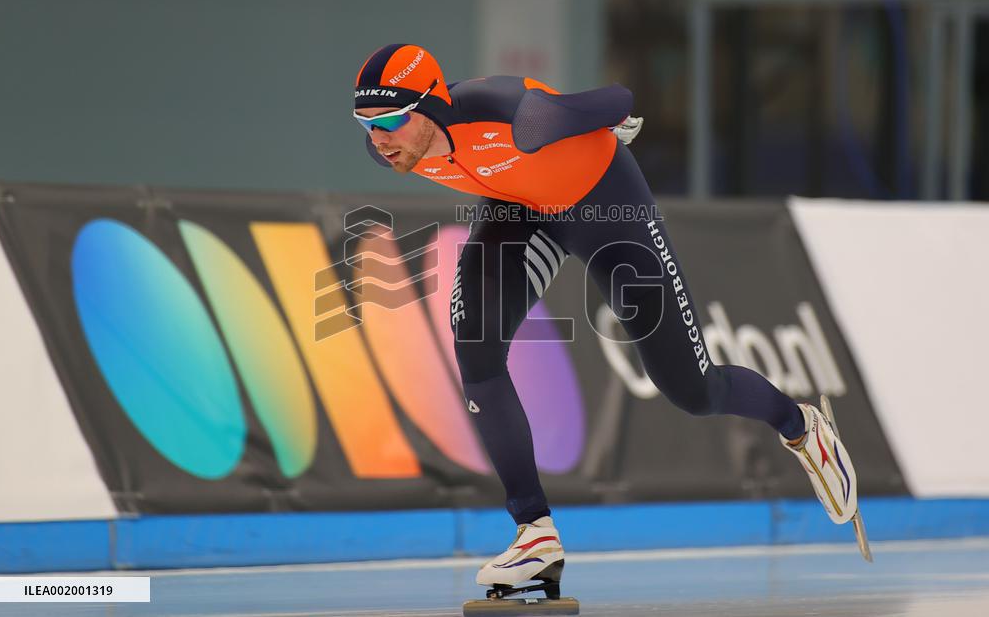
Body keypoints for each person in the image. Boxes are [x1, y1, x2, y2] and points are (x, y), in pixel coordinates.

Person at [352, 43, 858, 592]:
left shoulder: (514, 116)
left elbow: (618, 96)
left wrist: (601, 121)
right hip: (519, 209)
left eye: (392, 120)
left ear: (431, 103)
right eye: (367, 123)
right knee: (474, 339)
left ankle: (801, 427)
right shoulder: (393, 148)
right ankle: (534, 531)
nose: (380, 139)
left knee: (693, 389)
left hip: (604, 206)